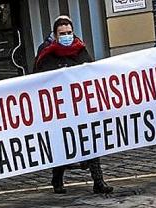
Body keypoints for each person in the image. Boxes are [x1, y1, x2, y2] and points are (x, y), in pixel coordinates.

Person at [34, 16, 113, 195]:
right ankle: (57, 179)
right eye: (63, 34)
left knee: (90, 140)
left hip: (81, 105)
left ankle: (98, 181)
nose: (67, 36)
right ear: (55, 35)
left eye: (69, 33)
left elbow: (92, 72)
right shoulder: (45, 52)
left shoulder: (80, 49)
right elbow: (37, 79)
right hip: (59, 108)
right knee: (62, 142)